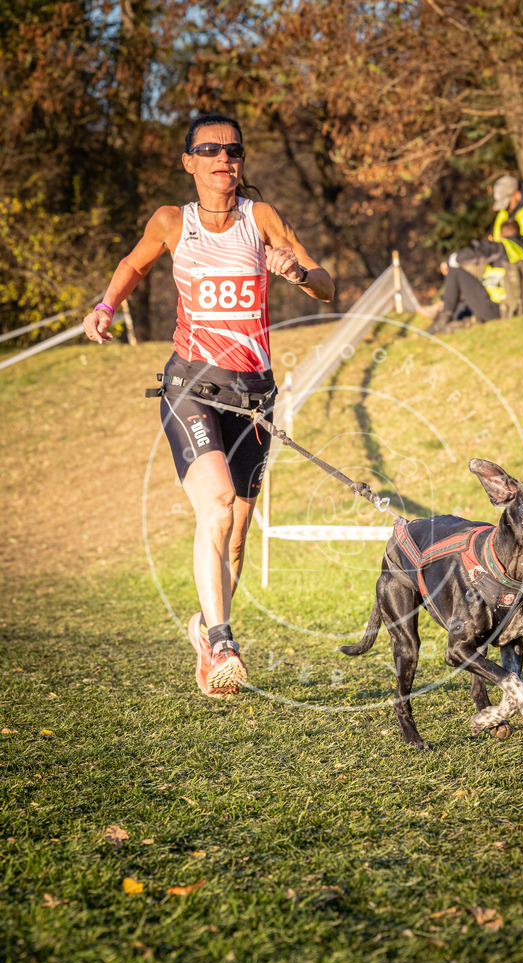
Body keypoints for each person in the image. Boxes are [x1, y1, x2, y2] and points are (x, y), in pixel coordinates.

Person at [82, 113, 335, 698]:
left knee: (238, 535)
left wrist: (297, 271)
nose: (225, 158)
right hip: (191, 387)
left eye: (233, 150)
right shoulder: (173, 221)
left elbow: (327, 285)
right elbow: (134, 264)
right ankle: (223, 642)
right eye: (211, 149)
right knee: (217, 506)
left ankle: (206, 630)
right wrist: (106, 306)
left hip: (254, 397)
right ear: (188, 161)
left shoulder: (260, 218)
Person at [430, 220, 523, 331]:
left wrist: (451, 260)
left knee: (455, 272)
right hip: (511, 306)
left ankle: (442, 321)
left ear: (501, 235)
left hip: (496, 308)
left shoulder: (501, 247)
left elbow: (474, 254)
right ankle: (455, 320)